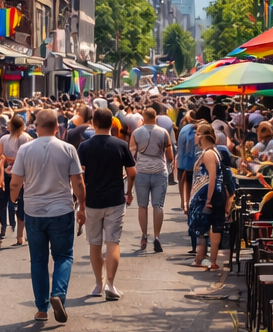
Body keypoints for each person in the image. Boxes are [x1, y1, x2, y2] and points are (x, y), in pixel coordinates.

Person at [7, 108, 86, 323]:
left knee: (38, 261)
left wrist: (13, 201)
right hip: (62, 210)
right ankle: (58, 294)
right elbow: (78, 182)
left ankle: (42, 308)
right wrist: (83, 207)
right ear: (57, 127)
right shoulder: (68, 149)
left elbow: (15, 182)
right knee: (63, 256)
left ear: (36, 127)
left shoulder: (25, 149)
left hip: (33, 212)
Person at [79, 107, 136, 300]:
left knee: (94, 243)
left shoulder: (84, 147)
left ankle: (98, 284)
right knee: (113, 242)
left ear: (93, 123)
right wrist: (129, 191)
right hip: (115, 199)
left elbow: (79, 174)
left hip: (92, 200)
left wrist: (80, 200)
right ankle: (111, 284)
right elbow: (132, 172)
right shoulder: (120, 145)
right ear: (112, 123)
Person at [188, 124, 232, 270]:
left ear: (203, 136)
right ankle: (204, 259)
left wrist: (208, 199)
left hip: (209, 195)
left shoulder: (209, 154)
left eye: (197, 134)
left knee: (206, 226)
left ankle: (207, 260)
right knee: (211, 226)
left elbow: (212, 177)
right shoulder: (213, 152)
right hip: (213, 194)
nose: (195, 137)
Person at [130, 109, 173, 253]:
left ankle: (143, 235)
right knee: (158, 206)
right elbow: (170, 155)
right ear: (155, 118)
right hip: (159, 172)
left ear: (144, 117)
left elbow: (132, 154)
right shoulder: (163, 132)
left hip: (141, 172)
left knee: (142, 206)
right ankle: (156, 237)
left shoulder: (136, 133)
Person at [0, 114, 30, 248]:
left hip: (6, 174)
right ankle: (20, 235)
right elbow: (27, 158)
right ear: (22, 126)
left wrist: (6, 161)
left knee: (2, 201)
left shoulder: (3, 139)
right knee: (21, 203)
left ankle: (3, 226)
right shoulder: (26, 138)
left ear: (9, 127)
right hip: (21, 175)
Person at [176, 111, 200, 212]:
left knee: (182, 180)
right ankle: (189, 204)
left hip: (181, 160)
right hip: (191, 160)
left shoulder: (183, 129)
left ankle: (183, 202)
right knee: (190, 183)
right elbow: (190, 143)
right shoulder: (193, 129)